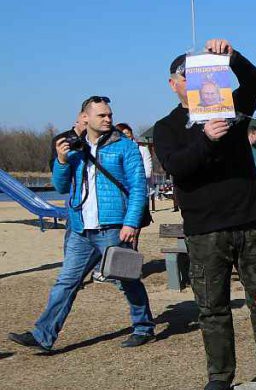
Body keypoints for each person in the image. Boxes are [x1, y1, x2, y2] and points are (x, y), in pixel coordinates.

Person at [153, 38, 256, 390]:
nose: (192, 82)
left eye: (198, 74)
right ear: (173, 84)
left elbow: (255, 82)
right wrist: (205, 138)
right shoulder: (166, 127)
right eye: (186, 77)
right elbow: (177, 167)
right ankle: (220, 375)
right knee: (212, 306)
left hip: (249, 220)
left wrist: (232, 57)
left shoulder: (228, 108)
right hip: (205, 229)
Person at [8, 96, 155, 352]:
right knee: (66, 282)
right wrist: (62, 162)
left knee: (127, 279)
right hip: (79, 229)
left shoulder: (125, 147)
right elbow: (62, 186)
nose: (108, 119)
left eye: (109, 114)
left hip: (113, 227)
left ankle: (143, 327)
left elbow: (138, 188)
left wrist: (130, 223)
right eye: (102, 115)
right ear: (85, 118)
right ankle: (43, 336)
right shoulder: (74, 149)